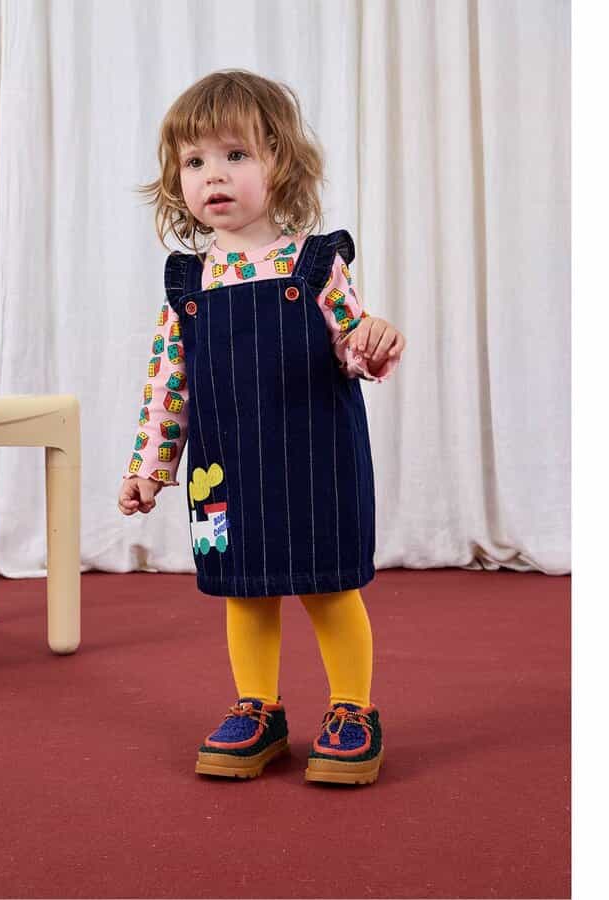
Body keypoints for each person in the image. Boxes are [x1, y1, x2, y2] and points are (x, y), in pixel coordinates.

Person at [117, 70, 406, 785]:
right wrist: (150, 467)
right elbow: (168, 387)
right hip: (225, 471)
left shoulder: (316, 265)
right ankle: (259, 707)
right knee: (243, 589)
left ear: (282, 163)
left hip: (317, 461)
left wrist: (372, 342)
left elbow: (353, 348)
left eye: (236, 155)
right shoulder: (188, 285)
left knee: (329, 586)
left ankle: (352, 708)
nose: (213, 175)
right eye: (194, 161)